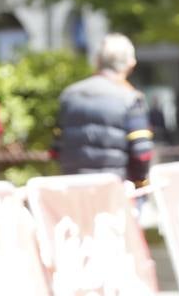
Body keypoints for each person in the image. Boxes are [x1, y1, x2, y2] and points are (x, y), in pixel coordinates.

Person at [54, 34, 154, 188]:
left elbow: (56, 148)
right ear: (130, 63)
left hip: (74, 189)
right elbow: (142, 153)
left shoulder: (69, 95)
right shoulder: (130, 98)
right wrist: (141, 184)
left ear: (98, 61)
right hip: (114, 190)